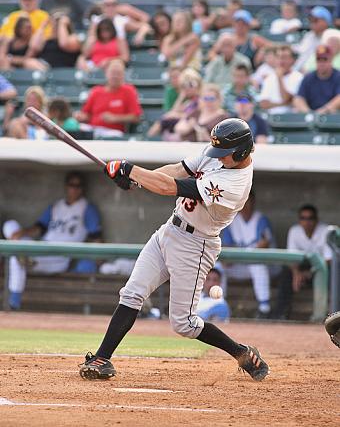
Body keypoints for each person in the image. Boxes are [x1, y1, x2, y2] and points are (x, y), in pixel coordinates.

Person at [78, 117, 269, 382]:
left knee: (184, 324)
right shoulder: (218, 154)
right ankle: (102, 358)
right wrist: (138, 179)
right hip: (170, 230)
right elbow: (177, 171)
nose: (219, 157)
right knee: (132, 293)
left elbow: (171, 187)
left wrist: (130, 169)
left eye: (225, 154)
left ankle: (241, 352)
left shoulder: (235, 184)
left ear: (242, 152)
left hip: (196, 245)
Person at [3, 171, 102, 310]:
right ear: (66, 186)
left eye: (78, 185)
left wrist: (97, 258)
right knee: (10, 225)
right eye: (72, 185)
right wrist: (21, 233)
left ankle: (14, 301)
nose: (75, 188)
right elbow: (39, 228)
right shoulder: (56, 206)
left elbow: (96, 236)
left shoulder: (86, 208)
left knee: (15, 258)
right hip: (41, 248)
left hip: (59, 256)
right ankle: (23, 255)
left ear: (83, 188)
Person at [221, 190, 275, 318]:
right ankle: (218, 303)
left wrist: (242, 253)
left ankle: (264, 309)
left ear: (253, 202)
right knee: (218, 267)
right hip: (239, 266)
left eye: (248, 201)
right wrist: (228, 260)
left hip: (264, 266)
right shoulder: (231, 221)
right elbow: (226, 247)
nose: (245, 204)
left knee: (257, 265)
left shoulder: (261, 219)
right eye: (242, 201)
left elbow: (265, 243)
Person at [273, 204, 332, 320]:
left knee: (335, 274)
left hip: (322, 270)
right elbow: (291, 257)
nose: (307, 222)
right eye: (303, 218)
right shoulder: (295, 231)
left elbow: (329, 260)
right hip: (301, 268)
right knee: (286, 273)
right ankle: (280, 314)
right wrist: (296, 273)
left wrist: (310, 273)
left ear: (316, 220)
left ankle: (329, 314)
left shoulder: (326, 231)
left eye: (310, 218)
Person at [74, 58, 142, 135]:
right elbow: (86, 114)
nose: (115, 76)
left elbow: (136, 117)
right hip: (92, 129)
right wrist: (80, 116)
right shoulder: (96, 91)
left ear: (123, 75)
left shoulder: (128, 90)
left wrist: (115, 118)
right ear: (106, 73)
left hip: (114, 132)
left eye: (118, 73)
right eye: (113, 72)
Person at [147, 68, 202, 140]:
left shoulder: (201, 100)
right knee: (164, 119)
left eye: (191, 85)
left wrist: (177, 115)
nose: (187, 88)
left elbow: (195, 116)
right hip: (180, 127)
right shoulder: (189, 102)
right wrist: (182, 96)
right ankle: (147, 139)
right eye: (184, 85)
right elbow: (174, 111)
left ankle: (148, 139)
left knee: (165, 120)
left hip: (189, 130)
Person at [293, 44, 340, 113]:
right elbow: (298, 99)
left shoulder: (338, 76)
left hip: (333, 117)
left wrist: (324, 110)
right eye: (319, 59)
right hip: (312, 115)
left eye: (325, 59)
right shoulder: (309, 77)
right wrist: (308, 112)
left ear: (331, 60)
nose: (321, 63)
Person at [259, 45, 303, 114]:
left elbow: (287, 99)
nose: (281, 61)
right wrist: (283, 103)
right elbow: (263, 104)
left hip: (291, 119)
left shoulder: (299, 78)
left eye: (284, 58)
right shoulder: (269, 78)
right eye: (278, 57)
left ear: (293, 60)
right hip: (271, 119)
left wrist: (280, 78)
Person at [293, 6, 331, 72]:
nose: (312, 23)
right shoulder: (309, 35)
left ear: (325, 22)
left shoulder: (331, 38)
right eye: (311, 20)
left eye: (315, 20)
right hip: (298, 73)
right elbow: (299, 50)